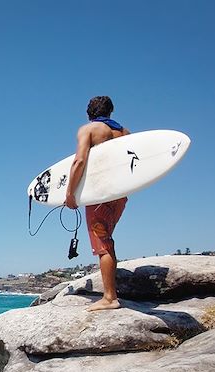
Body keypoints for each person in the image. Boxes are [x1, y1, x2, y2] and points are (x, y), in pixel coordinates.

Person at [64, 96, 130, 311]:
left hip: (100, 194)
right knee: (107, 240)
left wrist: (70, 193)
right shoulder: (125, 133)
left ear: (88, 113)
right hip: (120, 194)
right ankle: (110, 294)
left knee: (103, 245)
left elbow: (79, 160)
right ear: (111, 112)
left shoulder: (89, 130)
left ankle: (110, 297)